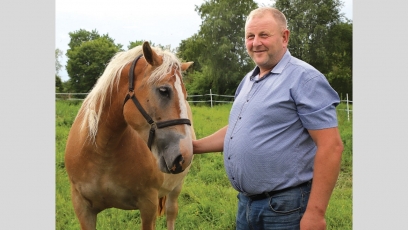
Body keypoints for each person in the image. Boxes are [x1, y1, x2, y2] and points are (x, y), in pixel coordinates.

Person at [192, 6, 344, 230]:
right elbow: (237, 131)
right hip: (247, 205)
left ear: (284, 37)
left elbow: (331, 146)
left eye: (264, 35)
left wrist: (315, 214)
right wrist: (193, 146)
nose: (256, 43)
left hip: (286, 208)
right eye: (250, 36)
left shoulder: (304, 78)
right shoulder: (248, 80)